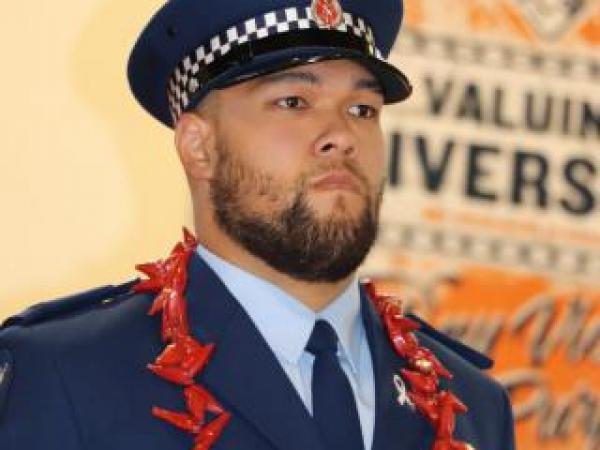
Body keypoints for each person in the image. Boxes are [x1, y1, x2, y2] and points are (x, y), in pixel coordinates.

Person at [0, 0, 516, 449]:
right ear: (199, 147)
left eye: (362, 108)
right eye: (293, 102)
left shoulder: (472, 405)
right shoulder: (70, 373)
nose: (340, 134)